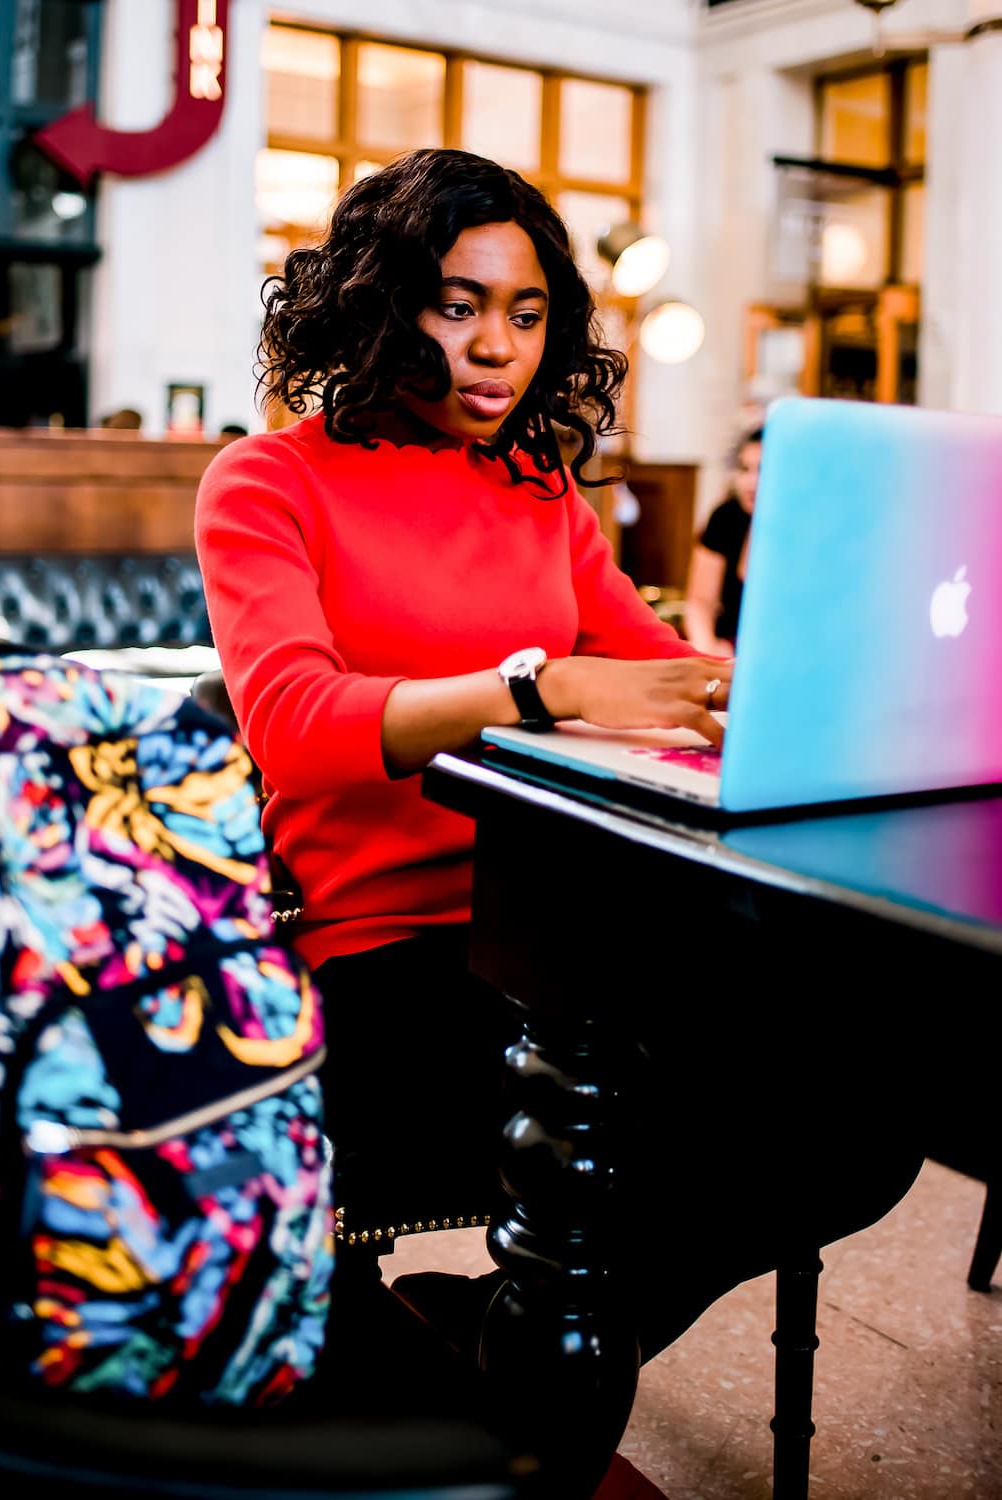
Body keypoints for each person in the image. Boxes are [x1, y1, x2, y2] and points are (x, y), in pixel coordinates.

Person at [195, 148, 921, 1370]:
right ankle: (531, 1368)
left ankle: (514, 1350)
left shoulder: (541, 493)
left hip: (580, 930)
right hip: (389, 956)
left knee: (865, 1109)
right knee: (701, 1112)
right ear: (376, 302)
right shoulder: (270, 482)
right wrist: (541, 688)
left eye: (526, 315)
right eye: (458, 303)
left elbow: (679, 685)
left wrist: (836, 683)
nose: (496, 347)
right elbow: (298, 727)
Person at [682, 426, 762, 656]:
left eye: (763, 470)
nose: (750, 482)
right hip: (725, 648)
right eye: (744, 469)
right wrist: (708, 648)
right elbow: (700, 602)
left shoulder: (805, 531)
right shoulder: (726, 517)